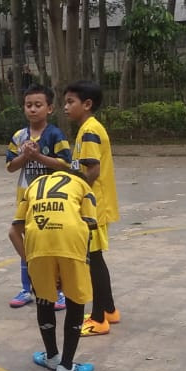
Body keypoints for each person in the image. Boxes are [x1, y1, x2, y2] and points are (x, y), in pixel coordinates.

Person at [8, 168, 98, 371]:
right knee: (75, 300)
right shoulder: (83, 186)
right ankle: (66, 367)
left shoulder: (34, 185)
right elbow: (88, 227)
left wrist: (31, 262)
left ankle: (52, 357)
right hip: (70, 240)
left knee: (44, 299)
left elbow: (13, 232)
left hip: (37, 243)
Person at [5, 84, 72, 309]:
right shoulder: (19, 136)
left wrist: (39, 157)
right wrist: (25, 156)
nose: (32, 109)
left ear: (49, 108)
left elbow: (65, 164)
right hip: (26, 198)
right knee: (18, 235)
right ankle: (28, 287)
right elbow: (10, 166)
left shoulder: (55, 135)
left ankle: (58, 290)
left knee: (50, 243)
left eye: (38, 105)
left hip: (49, 199)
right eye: (28, 105)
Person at [63, 80, 120, 336]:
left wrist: (76, 196)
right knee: (95, 259)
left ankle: (98, 319)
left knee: (93, 261)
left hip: (93, 208)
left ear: (87, 104)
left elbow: (93, 170)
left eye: (70, 102)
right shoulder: (87, 129)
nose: (65, 107)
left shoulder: (89, 131)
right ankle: (109, 310)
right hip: (95, 205)